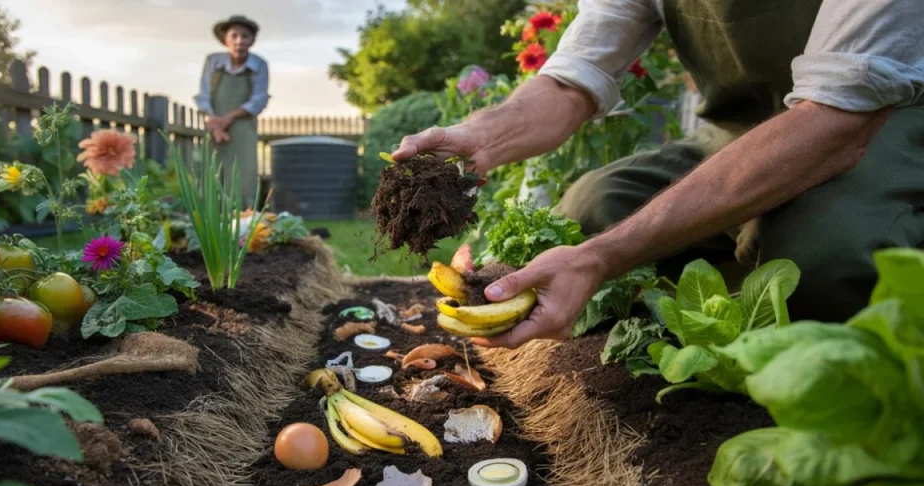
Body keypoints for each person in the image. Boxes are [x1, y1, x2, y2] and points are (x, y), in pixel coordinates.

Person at [393, 0, 924, 350]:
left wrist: (603, 257)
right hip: (738, 131)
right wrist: (479, 136)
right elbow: (573, 79)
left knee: (821, 252)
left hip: (880, 123)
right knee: (591, 208)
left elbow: (833, 120)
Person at [195, 15, 270, 200]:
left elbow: (258, 100)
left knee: (243, 176)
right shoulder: (213, 62)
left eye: (245, 36)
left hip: (243, 127)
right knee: (212, 176)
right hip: (214, 128)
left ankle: (243, 215)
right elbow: (204, 96)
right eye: (234, 36)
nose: (239, 41)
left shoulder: (259, 65)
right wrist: (215, 125)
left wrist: (228, 119)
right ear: (225, 39)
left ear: (252, 40)